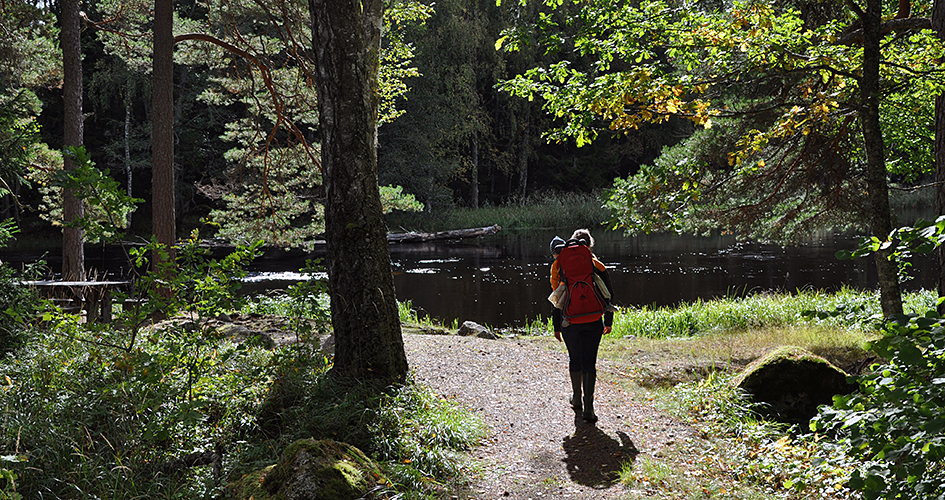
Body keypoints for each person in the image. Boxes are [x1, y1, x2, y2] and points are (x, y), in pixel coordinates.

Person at [549, 228, 615, 423]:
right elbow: (609, 294)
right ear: (589, 246)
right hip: (593, 321)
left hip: (569, 320)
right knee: (589, 362)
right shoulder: (596, 264)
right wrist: (608, 321)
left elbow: (556, 297)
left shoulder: (559, 265)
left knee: (574, 359)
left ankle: (576, 399)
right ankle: (589, 408)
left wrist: (557, 326)